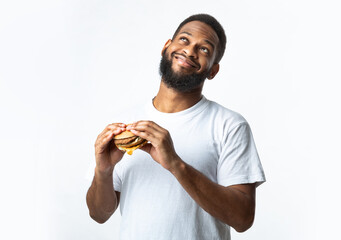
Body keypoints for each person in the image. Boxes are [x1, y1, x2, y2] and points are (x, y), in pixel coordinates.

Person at [86, 13, 265, 240]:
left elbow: (242, 219)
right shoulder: (125, 123)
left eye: (204, 50)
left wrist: (176, 165)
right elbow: (98, 214)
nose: (190, 51)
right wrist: (104, 170)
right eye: (184, 40)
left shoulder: (230, 125)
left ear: (213, 70)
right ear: (166, 47)